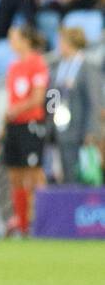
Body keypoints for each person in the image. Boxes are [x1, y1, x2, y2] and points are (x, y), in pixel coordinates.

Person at [3, 26, 50, 236]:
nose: (10, 42)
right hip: (13, 126)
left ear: (25, 40)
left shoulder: (38, 64)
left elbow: (38, 98)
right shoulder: (13, 66)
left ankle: (44, 222)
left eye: (13, 38)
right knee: (15, 174)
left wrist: (17, 109)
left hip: (31, 124)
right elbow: (12, 97)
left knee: (34, 174)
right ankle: (23, 225)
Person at [49, 26, 102, 184]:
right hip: (61, 130)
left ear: (70, 42)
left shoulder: (87, 67)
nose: (59, 46)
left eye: (61, 42)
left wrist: (91, 131)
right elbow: (53, 97)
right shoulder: (57, 68)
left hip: (81, 129)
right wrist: (50, 124)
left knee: (85, 174)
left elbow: (94, 101)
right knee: (66, 174)